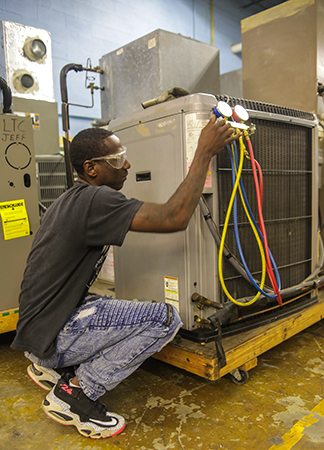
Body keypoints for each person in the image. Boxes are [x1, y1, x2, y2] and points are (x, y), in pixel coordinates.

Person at [11, 114, 241, 439]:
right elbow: (175, 217)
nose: (128, 165)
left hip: (37, 330)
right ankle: (75, 393)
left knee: (102, 303)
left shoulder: (70, 198)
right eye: (118, 159)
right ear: (91, 168)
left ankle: (48, 364)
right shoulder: (96, 199)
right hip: (53, 334)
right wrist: (203, 152)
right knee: (164, 319)